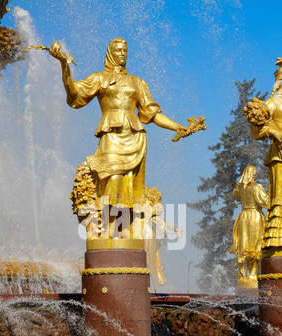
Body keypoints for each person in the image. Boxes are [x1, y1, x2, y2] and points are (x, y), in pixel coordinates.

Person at [50, 38, 203, 239]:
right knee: (111, 178)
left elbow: (152, 113)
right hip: (111, 137)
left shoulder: (137, 82)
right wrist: (64, 64)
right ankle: (106, 227)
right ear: (110, 53)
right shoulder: (99, 78)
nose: (122, 54)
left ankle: (126, 229)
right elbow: (75, 95)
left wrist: (177, 126)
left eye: (125, 50)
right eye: (118, 50)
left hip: (135, 137)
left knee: (129, 185)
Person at [244, 58, 282, 250]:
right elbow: (257, 131)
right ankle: (277, 238)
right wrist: (272, 131)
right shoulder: (274, 103)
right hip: (279, 157)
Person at [229, 166, 268, 286]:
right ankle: (253, 274)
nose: (256, 175)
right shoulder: (257, 187)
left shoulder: (240, 188)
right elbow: (266, 202)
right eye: (255, 173)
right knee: (256, 244)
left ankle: (243, 274)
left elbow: (236, 196)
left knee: (244, 245)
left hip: (243, 217)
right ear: (252, 174)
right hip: (255, 217)